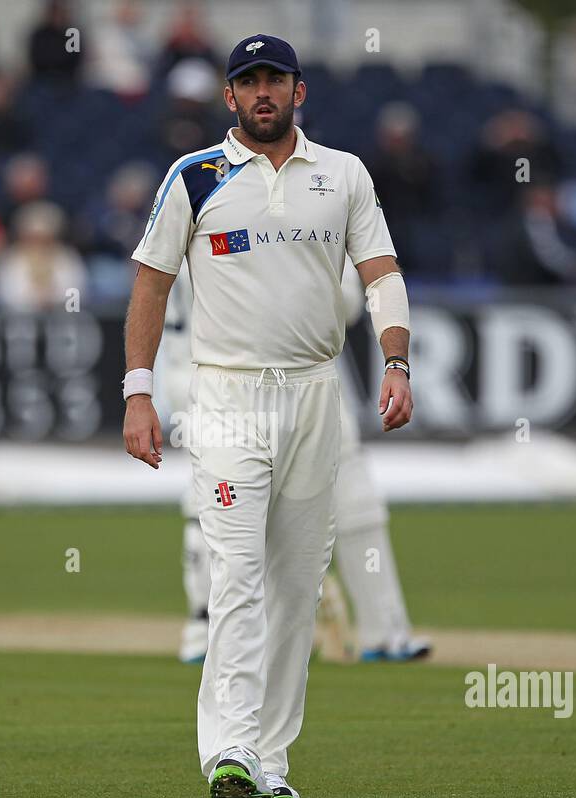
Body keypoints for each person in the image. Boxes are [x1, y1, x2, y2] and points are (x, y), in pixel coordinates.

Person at [122, 35, 414, 798]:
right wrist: (138, 392)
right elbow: (150, 283)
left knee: (295, 585)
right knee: (237, 574)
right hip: (227, 395)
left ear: (298, 91)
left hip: (316, 393)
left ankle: (269, 758)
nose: (261, 93)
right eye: (247, 82)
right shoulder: (195, 177)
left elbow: (380, 272)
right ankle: (231, 749)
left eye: (273, 81)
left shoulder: (342, 174)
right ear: (228, 97)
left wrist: (395, 362)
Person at [158, 260, 431, 667]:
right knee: (222, 502)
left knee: (225, 499)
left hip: (240, 376)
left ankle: (384, 628)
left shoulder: (205, 214)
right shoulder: (231, 217)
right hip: (237, 377)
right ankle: (211, 630)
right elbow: (348, 303)